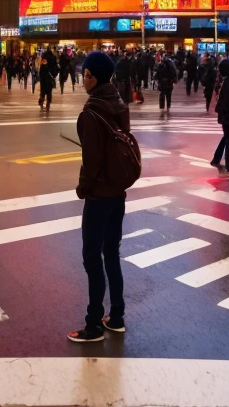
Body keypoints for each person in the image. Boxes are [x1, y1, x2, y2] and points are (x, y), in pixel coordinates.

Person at [68, 52, 133, 343]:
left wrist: (83, 188)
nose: (83, 78)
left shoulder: (91, 112)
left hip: (99, 196)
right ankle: (116, 316)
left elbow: (92, 162)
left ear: (92, 77)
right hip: (118, 193)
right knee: (111, 254)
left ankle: (93, 324)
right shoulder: (119, 104)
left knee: (92, 259)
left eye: (85, 74)